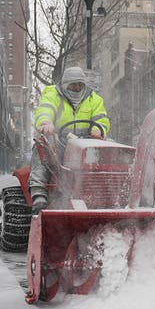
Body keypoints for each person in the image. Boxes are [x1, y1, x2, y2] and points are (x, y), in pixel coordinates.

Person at [29, 66, 110, 214]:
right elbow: (45, 109)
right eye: (73, 85)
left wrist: (99, 129)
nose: (77, 88)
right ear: (65, 85)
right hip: (60, 141)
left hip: (86, 142)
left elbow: (101, 118)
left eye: (80, 85)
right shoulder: (53, 94)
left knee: (109, 147)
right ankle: (38, 192)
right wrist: (45, 122)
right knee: (42, 145)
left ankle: (109, 194)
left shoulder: (94, 99)